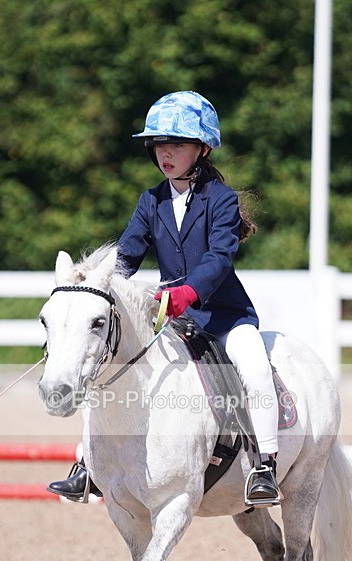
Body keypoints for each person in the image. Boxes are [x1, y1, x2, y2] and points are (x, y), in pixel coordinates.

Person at [47, 91, 280, 506]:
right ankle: (88, 465)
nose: (164, 154)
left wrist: (187, 292)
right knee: (107, 370)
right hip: (172, 321)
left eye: (176, 145)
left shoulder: (221, 200)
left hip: (223, 315)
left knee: (255, 368)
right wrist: (96, 285)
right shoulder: (150, 200)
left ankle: (265, 464)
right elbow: (127, 256)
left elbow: (220, 257)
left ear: (202, 148)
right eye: (158, 145)